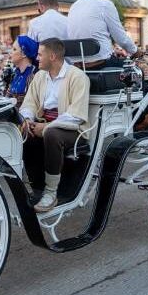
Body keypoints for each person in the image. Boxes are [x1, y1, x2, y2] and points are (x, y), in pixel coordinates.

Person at [19, 38, 90, 213]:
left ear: (52, 56)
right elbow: (29, 104)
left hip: (73, 130)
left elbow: (76, 115)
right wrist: (27, 119)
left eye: (40, 54)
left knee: (52, 135)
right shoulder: (40, 76)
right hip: (45, 123)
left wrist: (48, 127)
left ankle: (51, 192)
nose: (36, 58)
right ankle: (36, 188)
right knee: (24, 131)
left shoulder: (78, 77)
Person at [66, 0, 138, 69]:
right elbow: (121, 38)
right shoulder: (105, 5)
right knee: (137, 71)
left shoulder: (73, 7)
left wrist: (112, 51)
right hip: (101, 65)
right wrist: (135, 51)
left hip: (78, 67)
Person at [6, 36, 38, 105]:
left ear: (23, 54)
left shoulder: (33, 75)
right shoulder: (15, 73)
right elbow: (6, 99)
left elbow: (31, 105)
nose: (10, 52)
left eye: (14, 49)